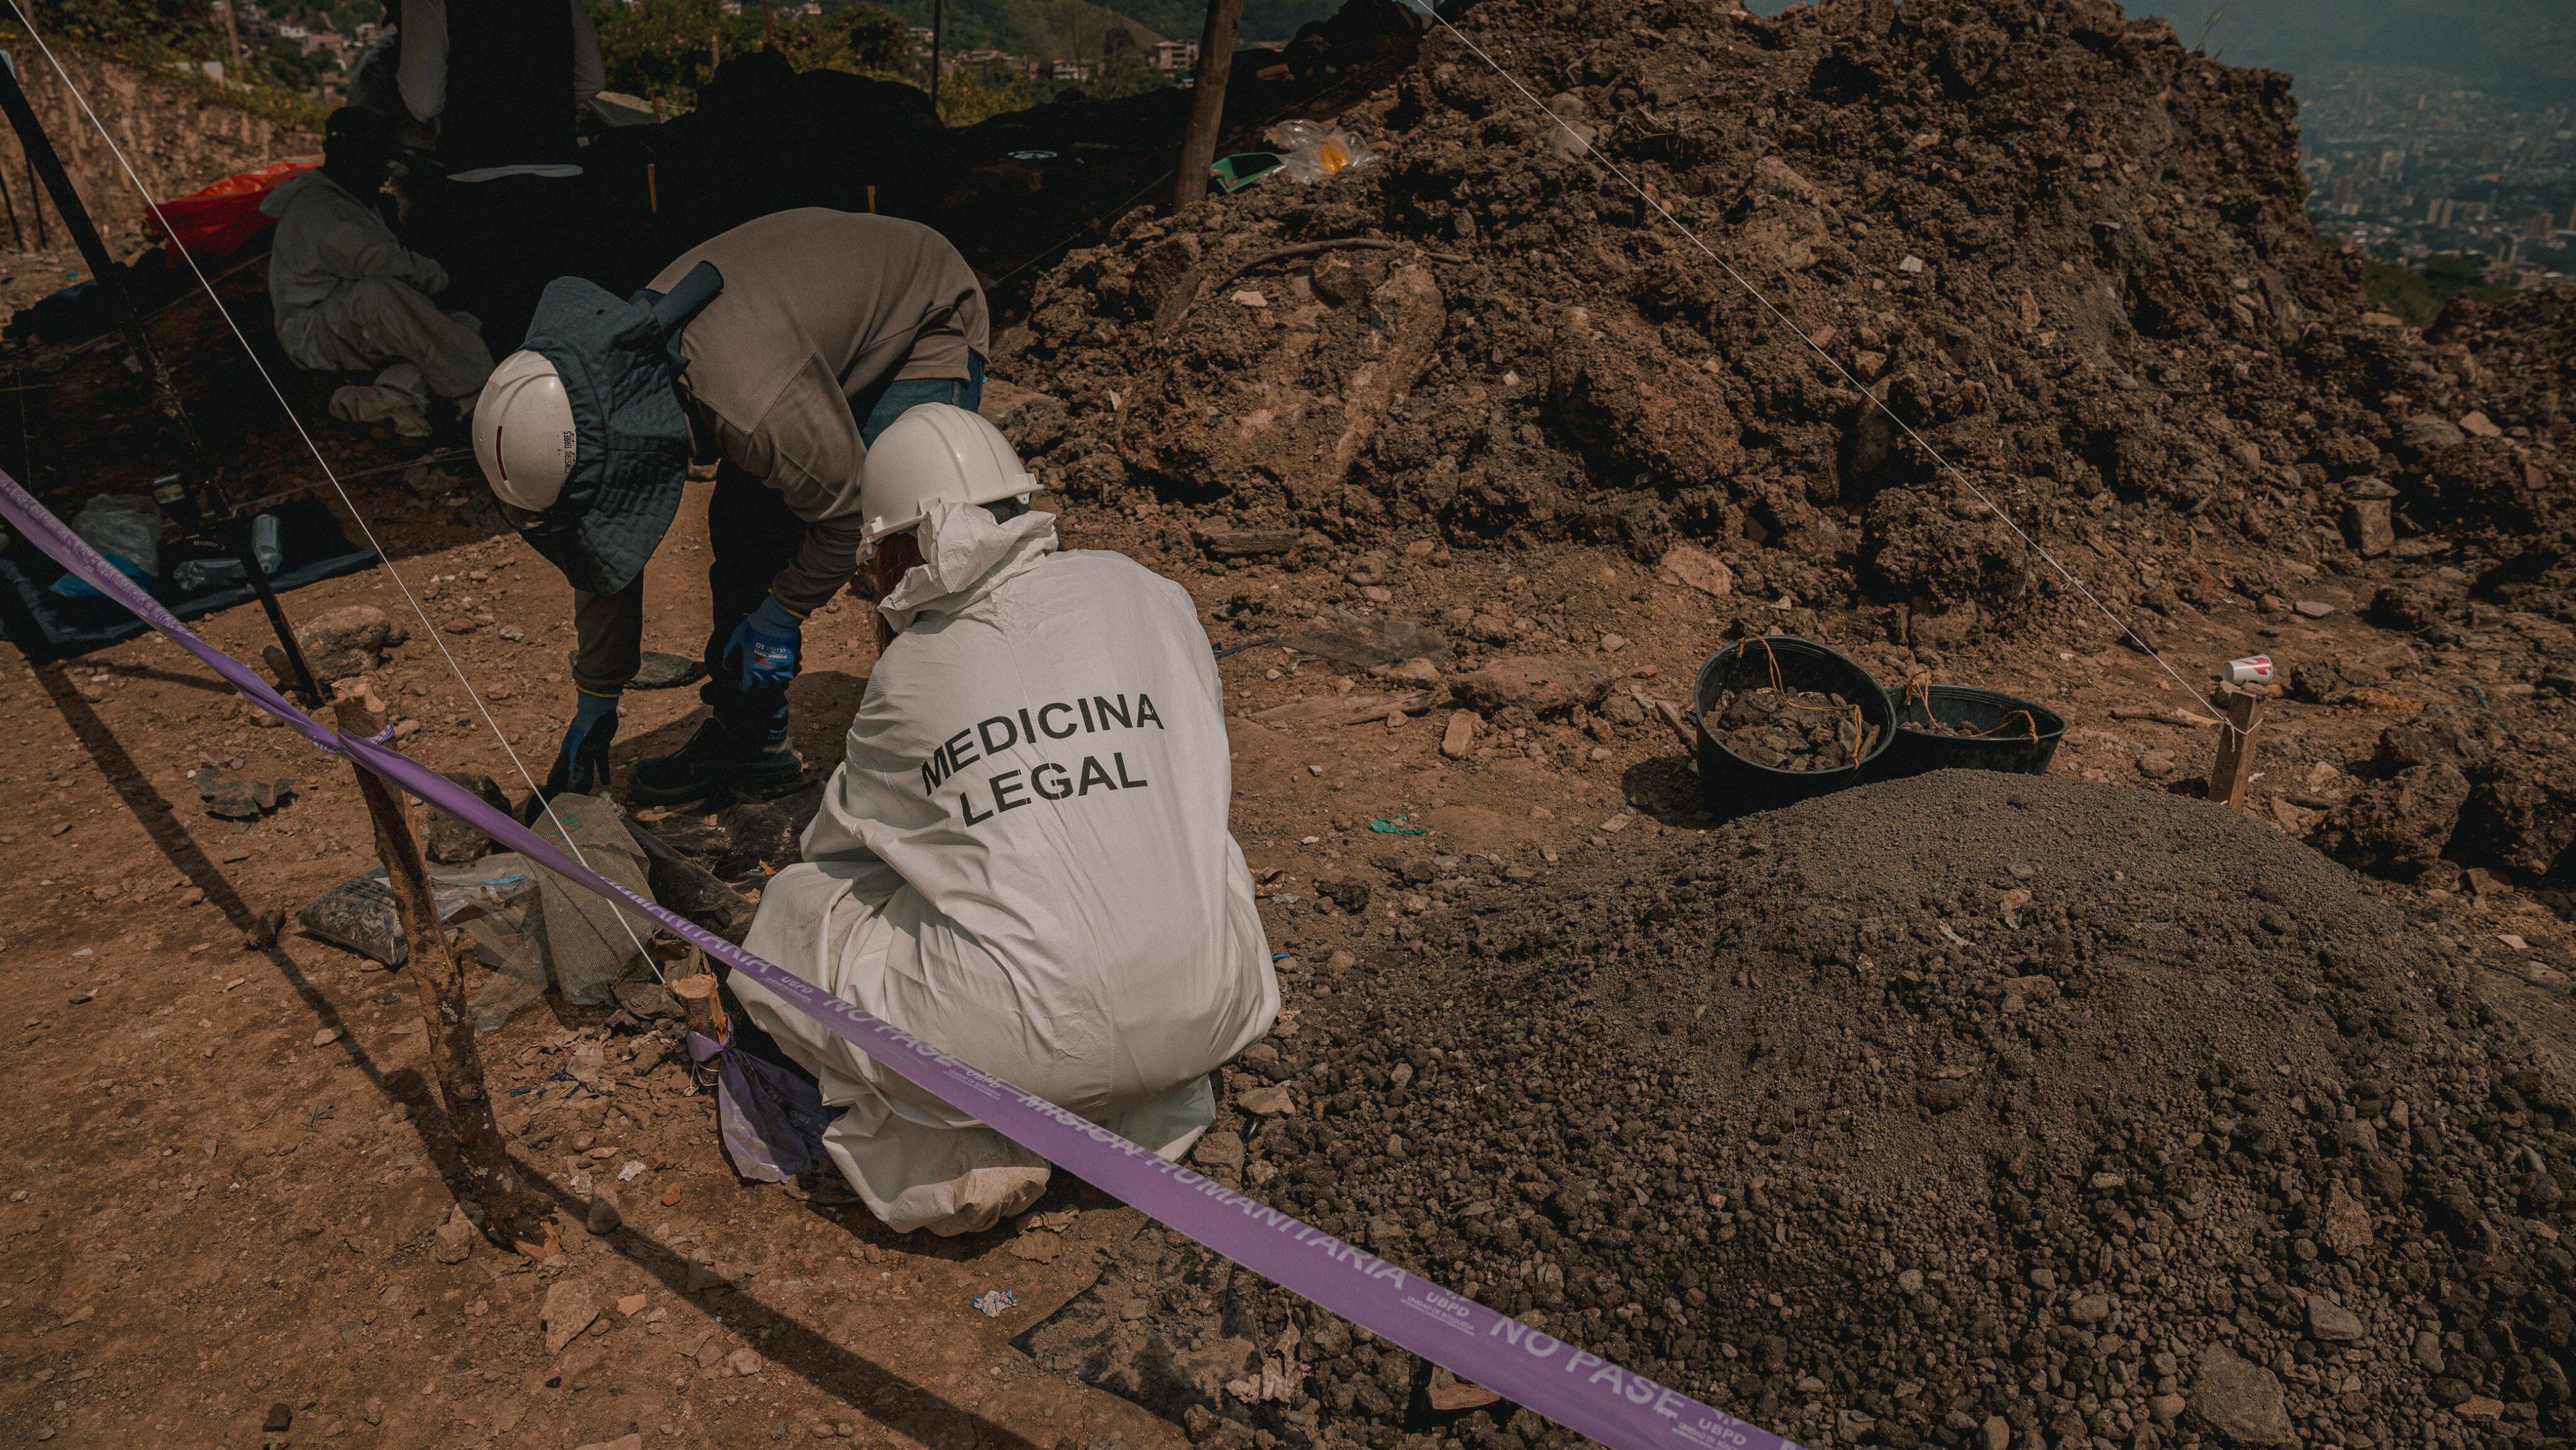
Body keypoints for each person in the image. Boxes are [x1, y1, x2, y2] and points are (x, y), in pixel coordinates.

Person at [726, 403, 1279, 1234]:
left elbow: (845, 852)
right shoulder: (1147, 591)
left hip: (1006, 1048)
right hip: (1211, 1007)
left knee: (799, 907)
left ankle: (959, 1154)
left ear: (902, 549)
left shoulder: (907, 676)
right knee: (1192, 835)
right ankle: (1140, 1109)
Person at [471, 208, 991, 805]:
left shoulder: (749, 400)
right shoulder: (611, 379)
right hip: (800, 335)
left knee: (911, 542)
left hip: (921, 315)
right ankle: (751, 746)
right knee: (746, 527)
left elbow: (851, 513)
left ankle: (948, 753)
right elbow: (606, 546)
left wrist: (782, 612)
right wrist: (598, 695)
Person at [262, 107, 494, 436]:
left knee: (459, 327)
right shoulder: (320, 209)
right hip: (313, 332)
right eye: (377, 162)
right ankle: (479, 398)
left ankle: (389, 396)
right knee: (379, 297)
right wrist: (445, 277)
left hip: (341, 320)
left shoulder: (348, 198)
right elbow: (384, 262)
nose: (383, 173)